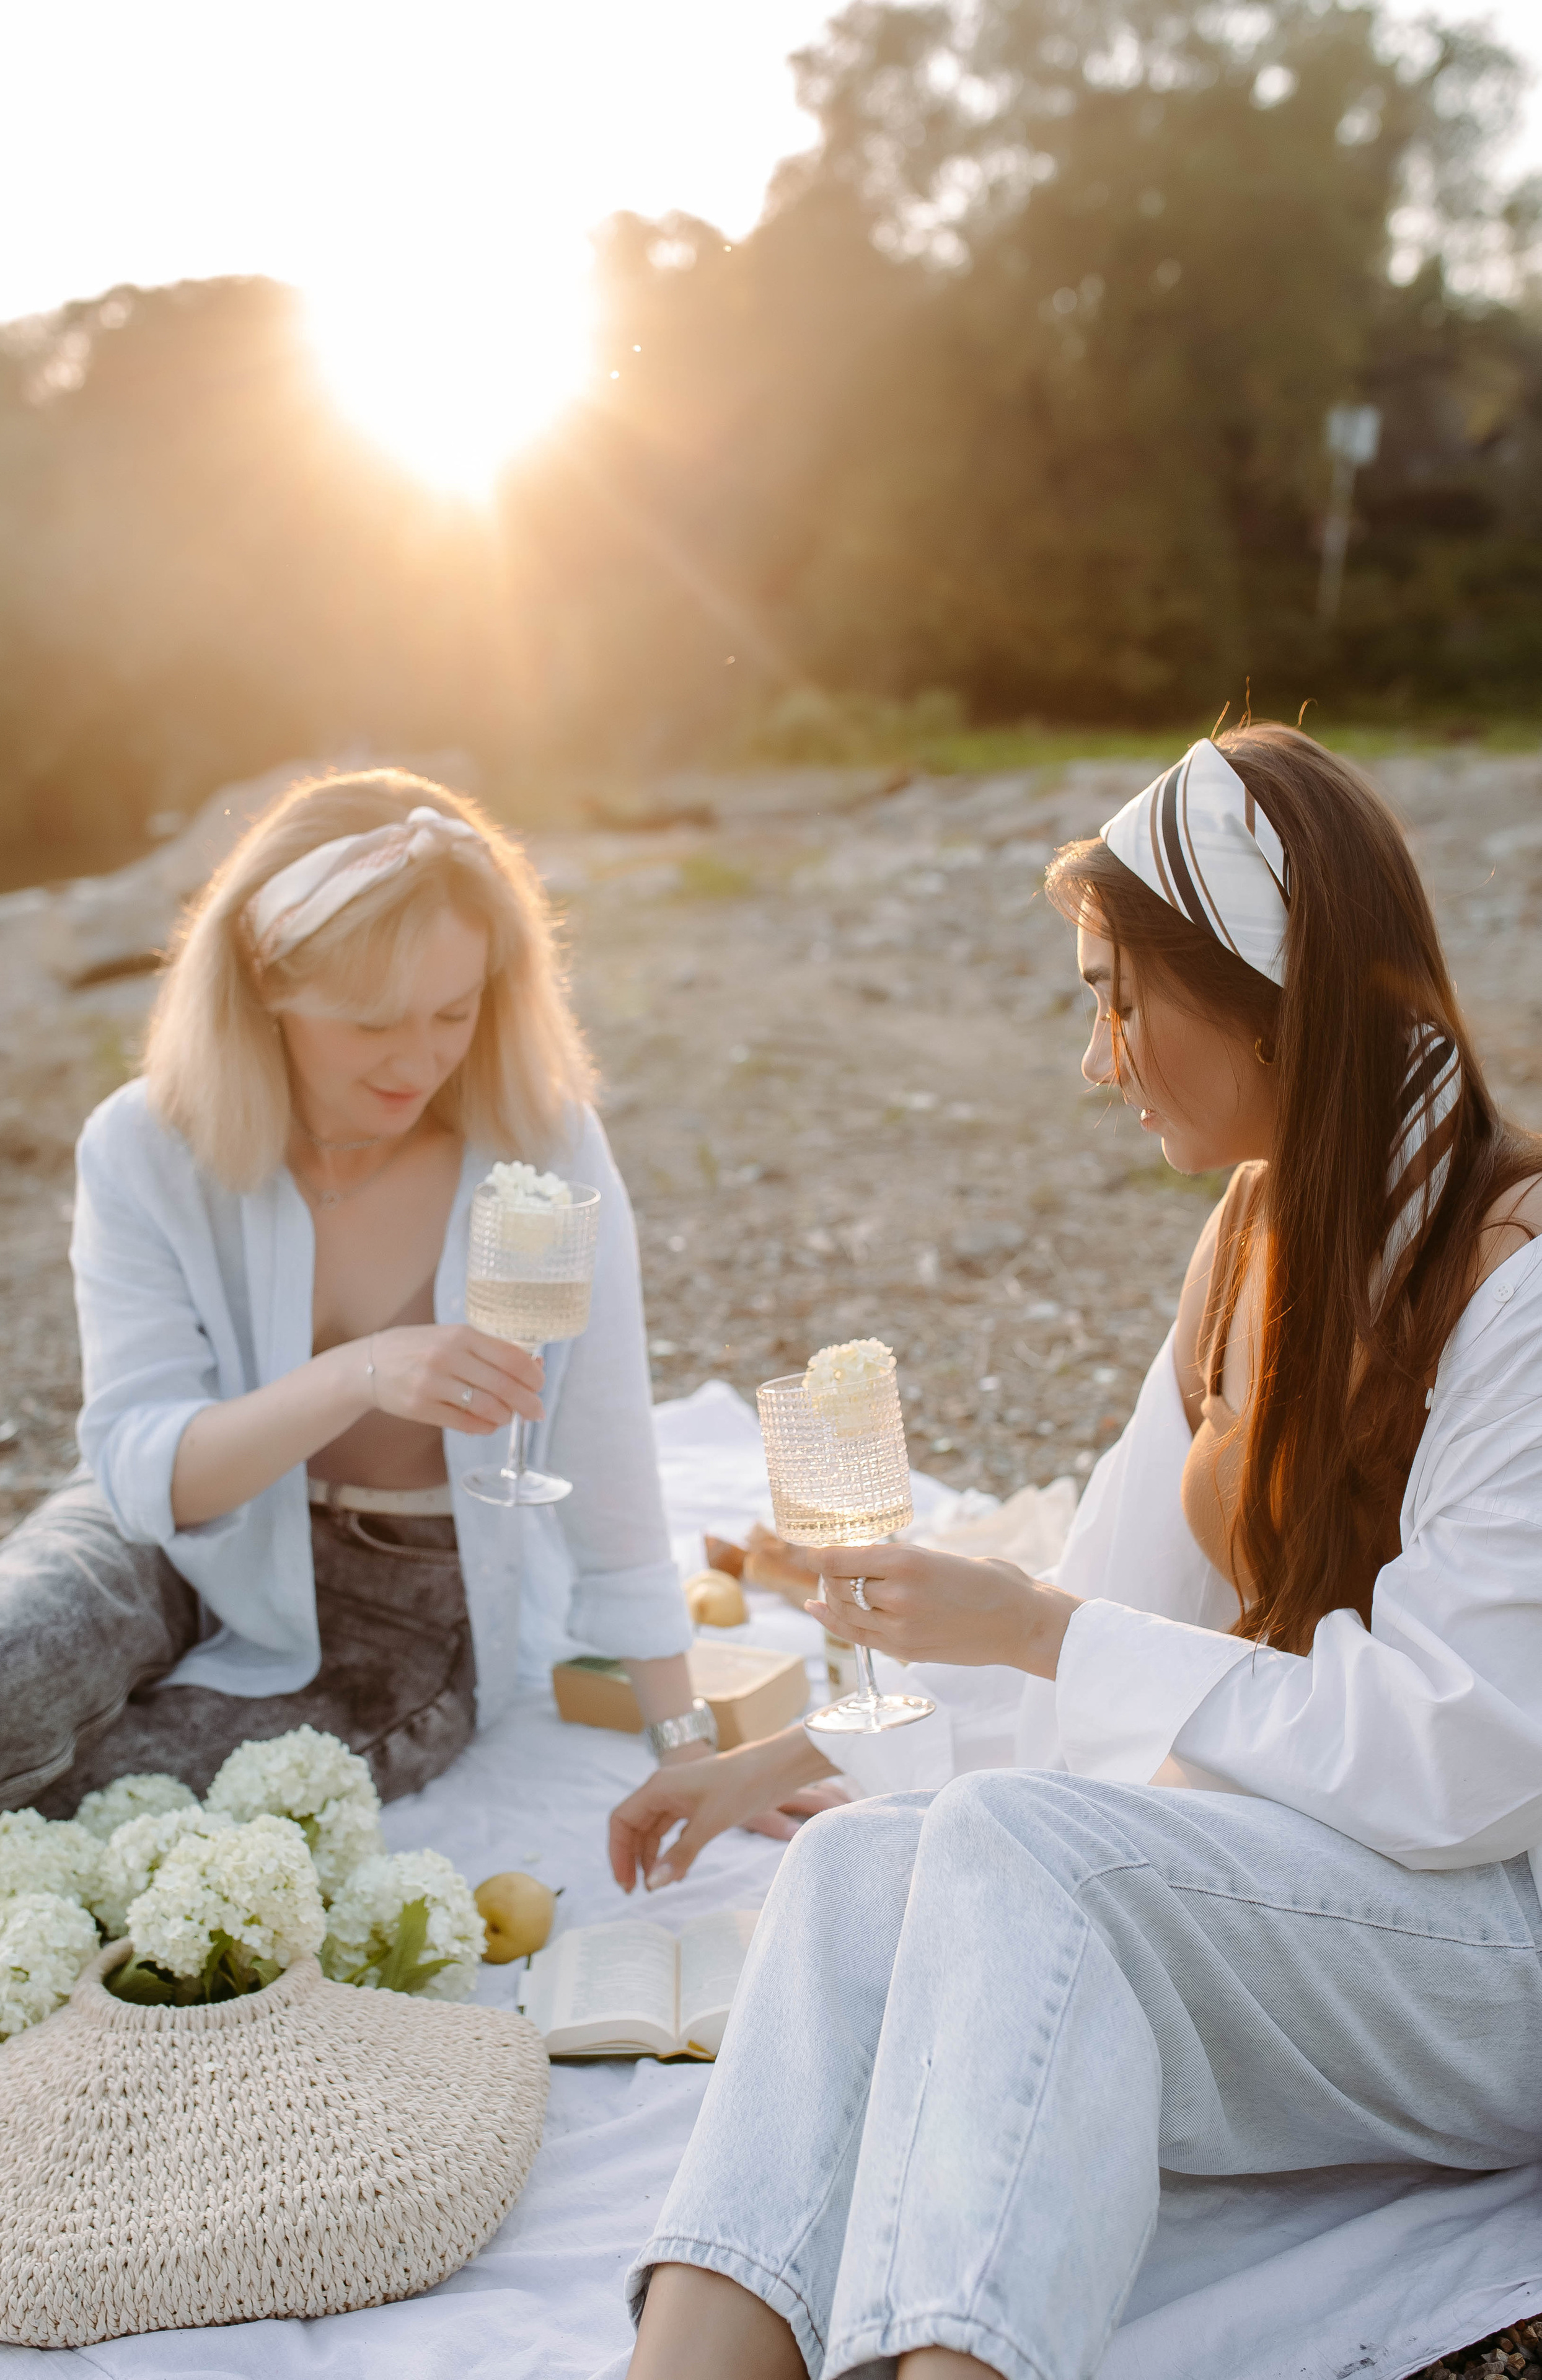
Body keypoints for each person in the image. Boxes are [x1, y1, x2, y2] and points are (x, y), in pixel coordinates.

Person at [610, 723, 1542, 2380]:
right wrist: (795, 1755)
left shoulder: (1518, 1283)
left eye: (1119, 995)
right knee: (854, 1872)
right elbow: (1104, 1612)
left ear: (1270, 991)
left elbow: (1460, 1761)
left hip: (1497, 1957)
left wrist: (1038, 1634)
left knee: (1032, 1852)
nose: (1097, 1056)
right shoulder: (1255, 1238)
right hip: (1329, 1901)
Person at [0, 768, 714, 1858]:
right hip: (164, 1540)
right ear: (266, 980)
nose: (419, 1059)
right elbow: (137, 1465)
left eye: (456, 1012)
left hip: (406, 1590)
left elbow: (605, 1439)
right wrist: (360, 1371)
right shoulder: (144, 1146)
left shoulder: (538, 1142)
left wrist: (685, 1736)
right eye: (370, 1024)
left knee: (109, 1819)